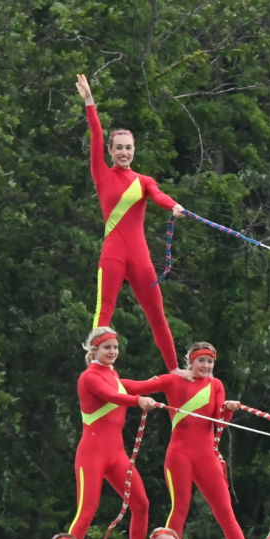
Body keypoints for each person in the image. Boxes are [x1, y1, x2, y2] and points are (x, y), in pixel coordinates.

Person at [76, 73, 185, 372]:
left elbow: (160, 196)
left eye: (128, 147)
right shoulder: (102, 173)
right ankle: (95, 368)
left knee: (157, 314)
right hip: (112, 254)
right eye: (119, 147)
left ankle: (175, 370)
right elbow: (96, 133)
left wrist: (174, 206)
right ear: (111, 151)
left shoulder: (143, 181)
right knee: (104, 312)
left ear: (134, 150)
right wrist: (89, 101)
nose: (124, 152)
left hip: (140, 258)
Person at [145, 343, 257, 539]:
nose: (206, 366)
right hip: (179, 455)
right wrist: (107, 379)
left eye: (210, 362)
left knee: (226, 512)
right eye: (201, 361)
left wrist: (228, 409)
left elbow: (219, 423)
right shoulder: (173, 380)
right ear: (191, 362)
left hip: (207, 457)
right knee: (180, 507)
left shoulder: (216, 385)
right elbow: (134, 387)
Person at [68, 326, 168, 539]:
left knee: (141, 504)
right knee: (86, 511)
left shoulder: (113, 376)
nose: (112, 351)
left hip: (116, 455)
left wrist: (176, 378)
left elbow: (140, 385)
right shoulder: (89, 377)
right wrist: (137, 401)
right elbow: (112, 396)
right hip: (92, 454)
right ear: (94, 350)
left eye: (115, 347)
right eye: (107, 347)